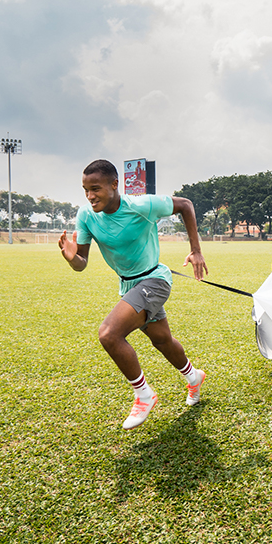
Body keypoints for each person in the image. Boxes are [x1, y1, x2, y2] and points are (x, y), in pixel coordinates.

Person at [58, 159, 208, 429]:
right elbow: (81, 262)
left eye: (96, 189)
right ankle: (194, 376)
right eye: (85, 190)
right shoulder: (86, 216)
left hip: (154, 279)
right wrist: (71, 257)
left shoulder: (141, 206)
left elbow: (185, 205)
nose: (90, 197)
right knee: (162, 341)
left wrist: (196, 250)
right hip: (129, 285)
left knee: (109, 334)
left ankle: (144, 395)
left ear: (115, 185)